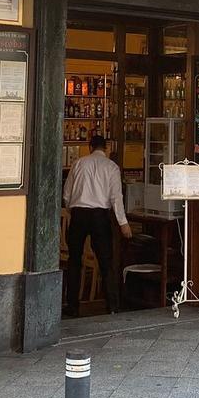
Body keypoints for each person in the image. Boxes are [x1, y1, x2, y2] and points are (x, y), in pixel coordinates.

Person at [63, 134, 130, 316]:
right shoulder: (112, 167)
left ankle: (73, 305)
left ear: (90, 146)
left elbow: (67, 193)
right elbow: (116, 198)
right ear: (106, 148)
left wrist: (71, 209)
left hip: (78, 215)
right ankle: (112, 306)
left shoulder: (78, 163)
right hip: (100, 216)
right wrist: (123, 223)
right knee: (106, 261)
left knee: (74, 261)